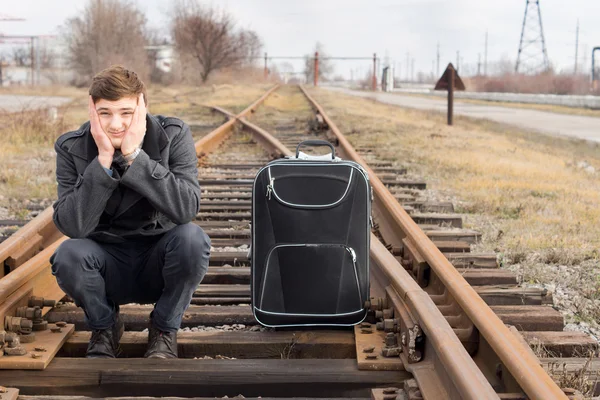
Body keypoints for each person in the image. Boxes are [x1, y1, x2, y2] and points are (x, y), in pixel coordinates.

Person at [50, 65, 210, 359]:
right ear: (92, 110)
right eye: (105, 113)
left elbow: (186, 208)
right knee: (68, 254)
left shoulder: (173, 134)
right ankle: (105, 326)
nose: (115, 124)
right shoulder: (71, 146)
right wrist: (102, 161)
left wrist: (135, 157)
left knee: (193, 240)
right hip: (105, 260)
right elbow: (73, 226)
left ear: (142, 106)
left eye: (126, 112)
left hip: (158, 258)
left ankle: (163, 329)